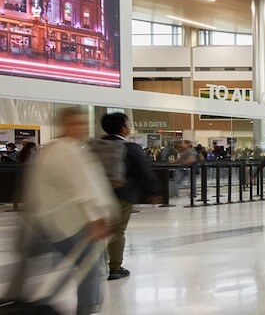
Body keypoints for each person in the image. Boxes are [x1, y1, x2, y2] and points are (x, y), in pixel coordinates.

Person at [6, 107, 117, 315]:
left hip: (45, 221)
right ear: (64, 125)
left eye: (83, 123)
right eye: (74, 123)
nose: (80, 127)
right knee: (90, 266)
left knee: (32, 263)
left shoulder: (61, 149)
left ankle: (18, 299)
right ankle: (86, 309)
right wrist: (97, 218)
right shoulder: (66, 150)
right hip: (65, 222)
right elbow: (82, 187)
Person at [98, 112, 161, 281]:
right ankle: (115, 268)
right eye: (127, 125)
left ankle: (95, 265)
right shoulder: (130, 148)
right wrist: (154, 191)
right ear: (123, 128)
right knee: (117, 230)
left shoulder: (97, 145)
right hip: (122, 194)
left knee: (98, 229)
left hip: (97, 195)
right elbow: (144, 170)